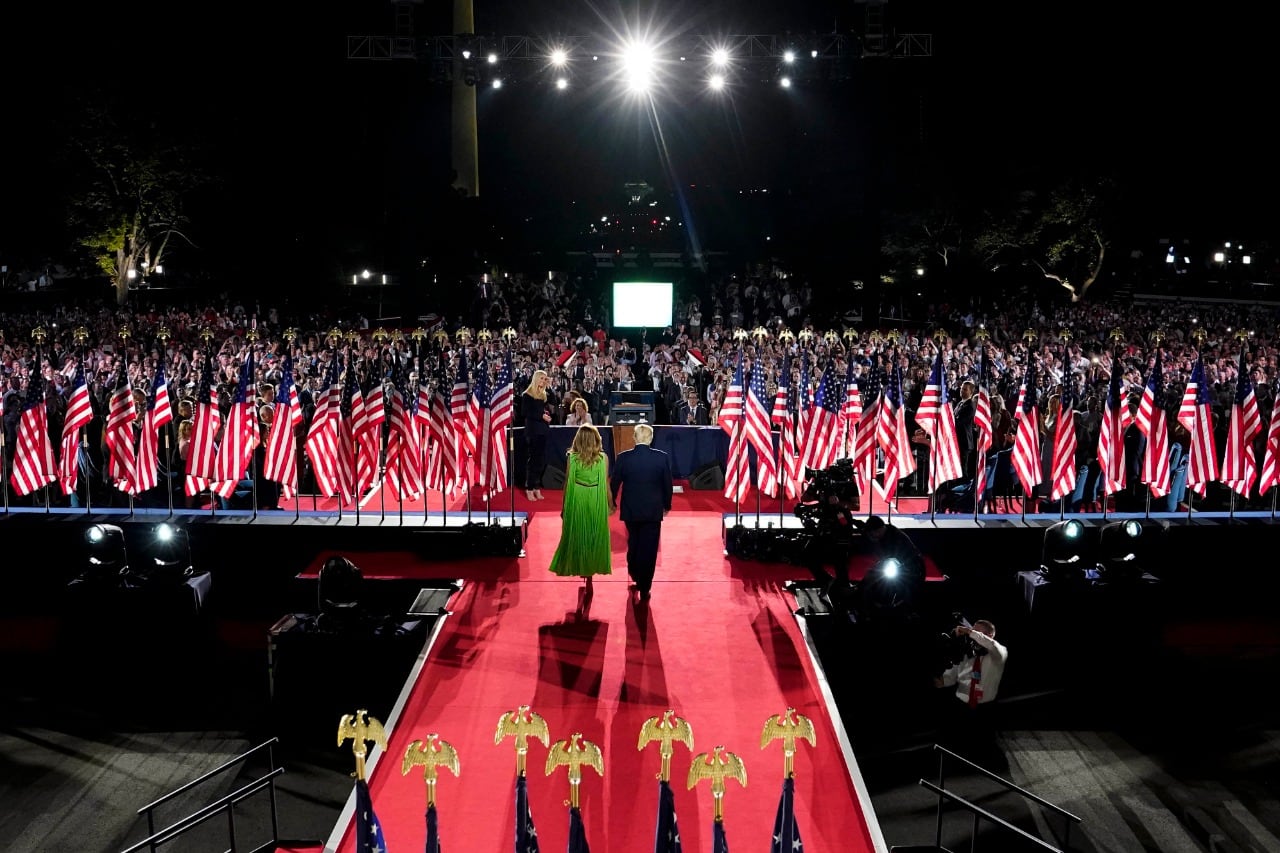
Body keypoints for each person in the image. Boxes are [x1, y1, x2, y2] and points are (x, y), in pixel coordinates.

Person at [548, 423, 614, 602]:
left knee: (578, 534)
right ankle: (589, 575)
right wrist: (611, 504)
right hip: (595, 499)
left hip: (577, 498)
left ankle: (582, 569)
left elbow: (567, 484)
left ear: (578, 440)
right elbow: (606, 484)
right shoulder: (603, 458)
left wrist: (564, 508)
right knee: (593, 535)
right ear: (596, 439)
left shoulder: (573, 458)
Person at [609, 422, 673, 599]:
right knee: (650, 548)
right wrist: (667, 506)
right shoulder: (662, 458)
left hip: (631, 510)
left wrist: (612, 502)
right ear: (651, 438)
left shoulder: (623, 458)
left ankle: (635, 572)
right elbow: (667, 485)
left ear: (634, 438)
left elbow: (614, 483)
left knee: (634, 542)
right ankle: (645, 586)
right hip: (653, 511)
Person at [934, 619, 1009, 764]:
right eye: (972, 632)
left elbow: (991, 644)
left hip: (985, 710)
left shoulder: (998, 652)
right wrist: (940, 680)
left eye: (977, 632)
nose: (972, 636)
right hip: (961, 705)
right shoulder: (966, 653)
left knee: (983, 751)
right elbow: (951, 675)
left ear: (989, 635)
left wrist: (969, 631)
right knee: (956, 745)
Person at [522, 369, 553, 500]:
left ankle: (536, 487)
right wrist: (541, 416)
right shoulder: (527, 395)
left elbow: (554, 404)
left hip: (543, 431)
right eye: (542, 378)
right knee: (533, 460)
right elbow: (525, 412)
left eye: (545, 379)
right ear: (536, 379)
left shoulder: (544, 395)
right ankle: (529, 488)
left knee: (541, 460)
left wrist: (545, 415)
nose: (544, 381)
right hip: (533, 431)